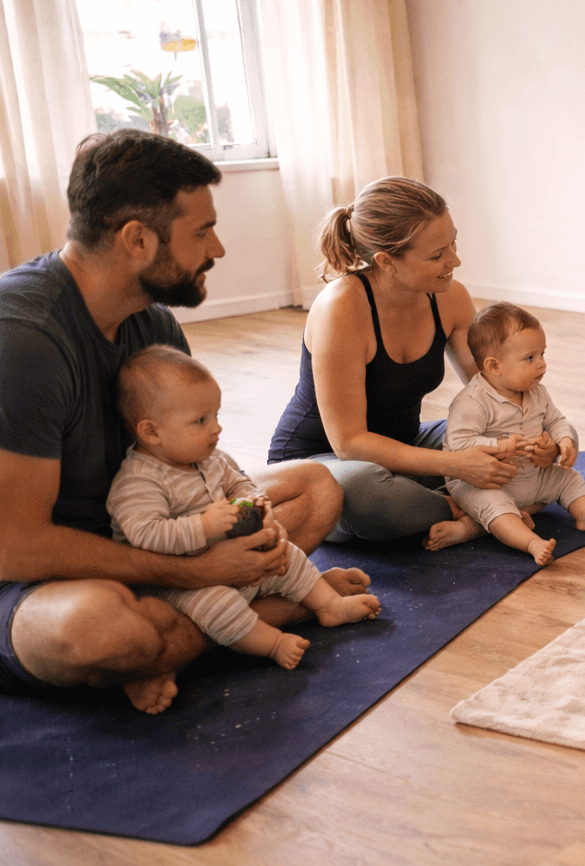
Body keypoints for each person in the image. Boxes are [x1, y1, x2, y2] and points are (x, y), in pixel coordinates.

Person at [0, 130, 352, 714]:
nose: (216, 249)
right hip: (39, 574)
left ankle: (185, 637)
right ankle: (276, 610)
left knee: (316, 488)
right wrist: (198, 572)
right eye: (201, 231)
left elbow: (191, 461)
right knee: (101, 631)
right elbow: (16, 547)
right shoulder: (24, 339)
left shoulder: (154, 324)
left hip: (146, 534)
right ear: (138, 239)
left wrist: (234, 518)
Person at [268, 176, 527, 542]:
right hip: (323, 466)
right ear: (386, 261)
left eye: (453, 242)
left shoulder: (450, 297)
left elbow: (492, 390)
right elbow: (349, 443)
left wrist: (534, 433)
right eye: (437, 255)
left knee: (520, 441)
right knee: (372, 496)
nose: (455, 260)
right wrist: (456, 465)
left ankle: (468, 513)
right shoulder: (341, 309)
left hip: (406, 449)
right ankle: (483, 509)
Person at [108, 347, 382, 669]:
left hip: (231, 560)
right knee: (218, 605)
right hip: (177, 585)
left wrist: (254, 500)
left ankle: (329, 605)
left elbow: (238, 483)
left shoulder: (210, 459)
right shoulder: (138, 481)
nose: (216, 429)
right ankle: (271, 643)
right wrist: (204, 526)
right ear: (151, 432)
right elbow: (144, 534)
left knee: (288, 557)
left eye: (215, 416)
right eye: (200, 421)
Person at [426, 302, 585, 563]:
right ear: (494, 366)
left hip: (532, 474)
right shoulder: (471, 402)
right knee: (496, 506)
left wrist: (562, 440)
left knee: (568, 478)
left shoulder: (536, 392)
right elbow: (459, 444)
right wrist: (499, 446)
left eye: (542, 354)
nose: (541, 364)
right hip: (485, 483)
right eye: (530, 358)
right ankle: (530, 542)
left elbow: (556, 420)